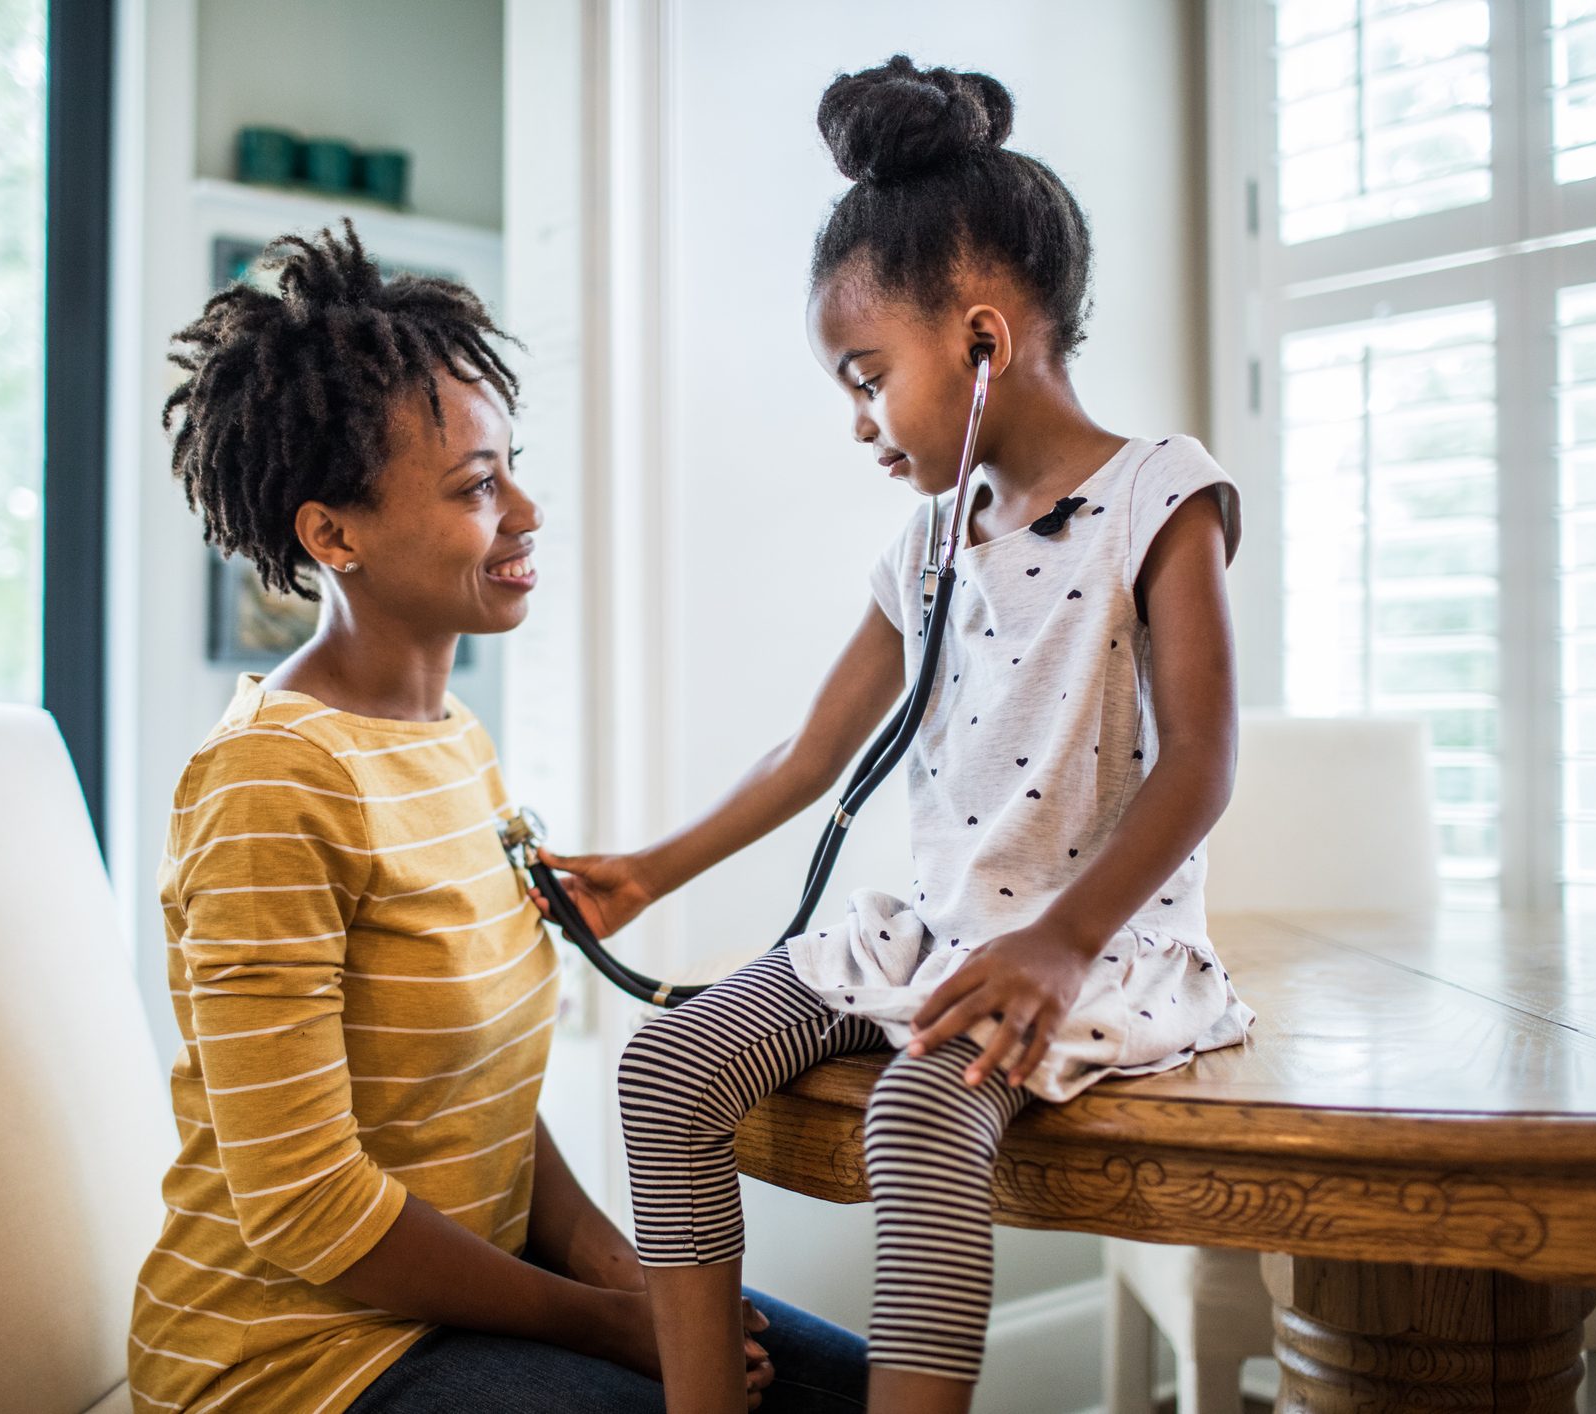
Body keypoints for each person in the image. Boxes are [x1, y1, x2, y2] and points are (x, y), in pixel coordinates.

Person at [541, 56, 1255, 1414]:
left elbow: (1203, 759)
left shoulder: (1159, 493)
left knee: (920, 1115)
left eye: (867, 377)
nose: (859, 422)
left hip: (1093, 938)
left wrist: (1059, 939)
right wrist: (650, 871)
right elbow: (809, 754)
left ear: (982, 340)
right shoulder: (929, 540)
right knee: (664, 1067)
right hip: (934, 925)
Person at [127, 222, 868, 1413]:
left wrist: (639, 1278)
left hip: (450, 1309)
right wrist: (617, 1328)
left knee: (858, 1391)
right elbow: (305, 1203)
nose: (525, 508)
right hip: (291, 1362)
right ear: (334, 534)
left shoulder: (451, 745)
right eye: (477, 485)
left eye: (510, 465)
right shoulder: (272, 783)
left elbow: (481, 1108)